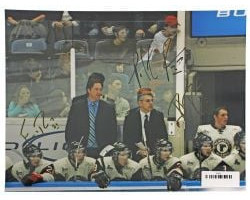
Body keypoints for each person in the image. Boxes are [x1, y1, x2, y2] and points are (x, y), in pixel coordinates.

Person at [65, 72, 117, 158]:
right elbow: (70, 130)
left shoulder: (109, 108)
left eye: (100, 89)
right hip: (81, 150)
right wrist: (74, 148)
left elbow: (113, 132)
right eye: (96, 89)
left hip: (102, 151)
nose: (99, 92)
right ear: (89, 90)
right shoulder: (77, 107)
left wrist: (107, 150)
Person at [123, 88, 168, 161]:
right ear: (140, 103)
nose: (151, 103)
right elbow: (127, 139)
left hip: (154, 154)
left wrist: (152, 152)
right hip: (136, 155)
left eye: (152, 100)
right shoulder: (130, 116)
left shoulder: (158, 116)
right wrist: (138, 151)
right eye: (147, 101)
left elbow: (163, 138)